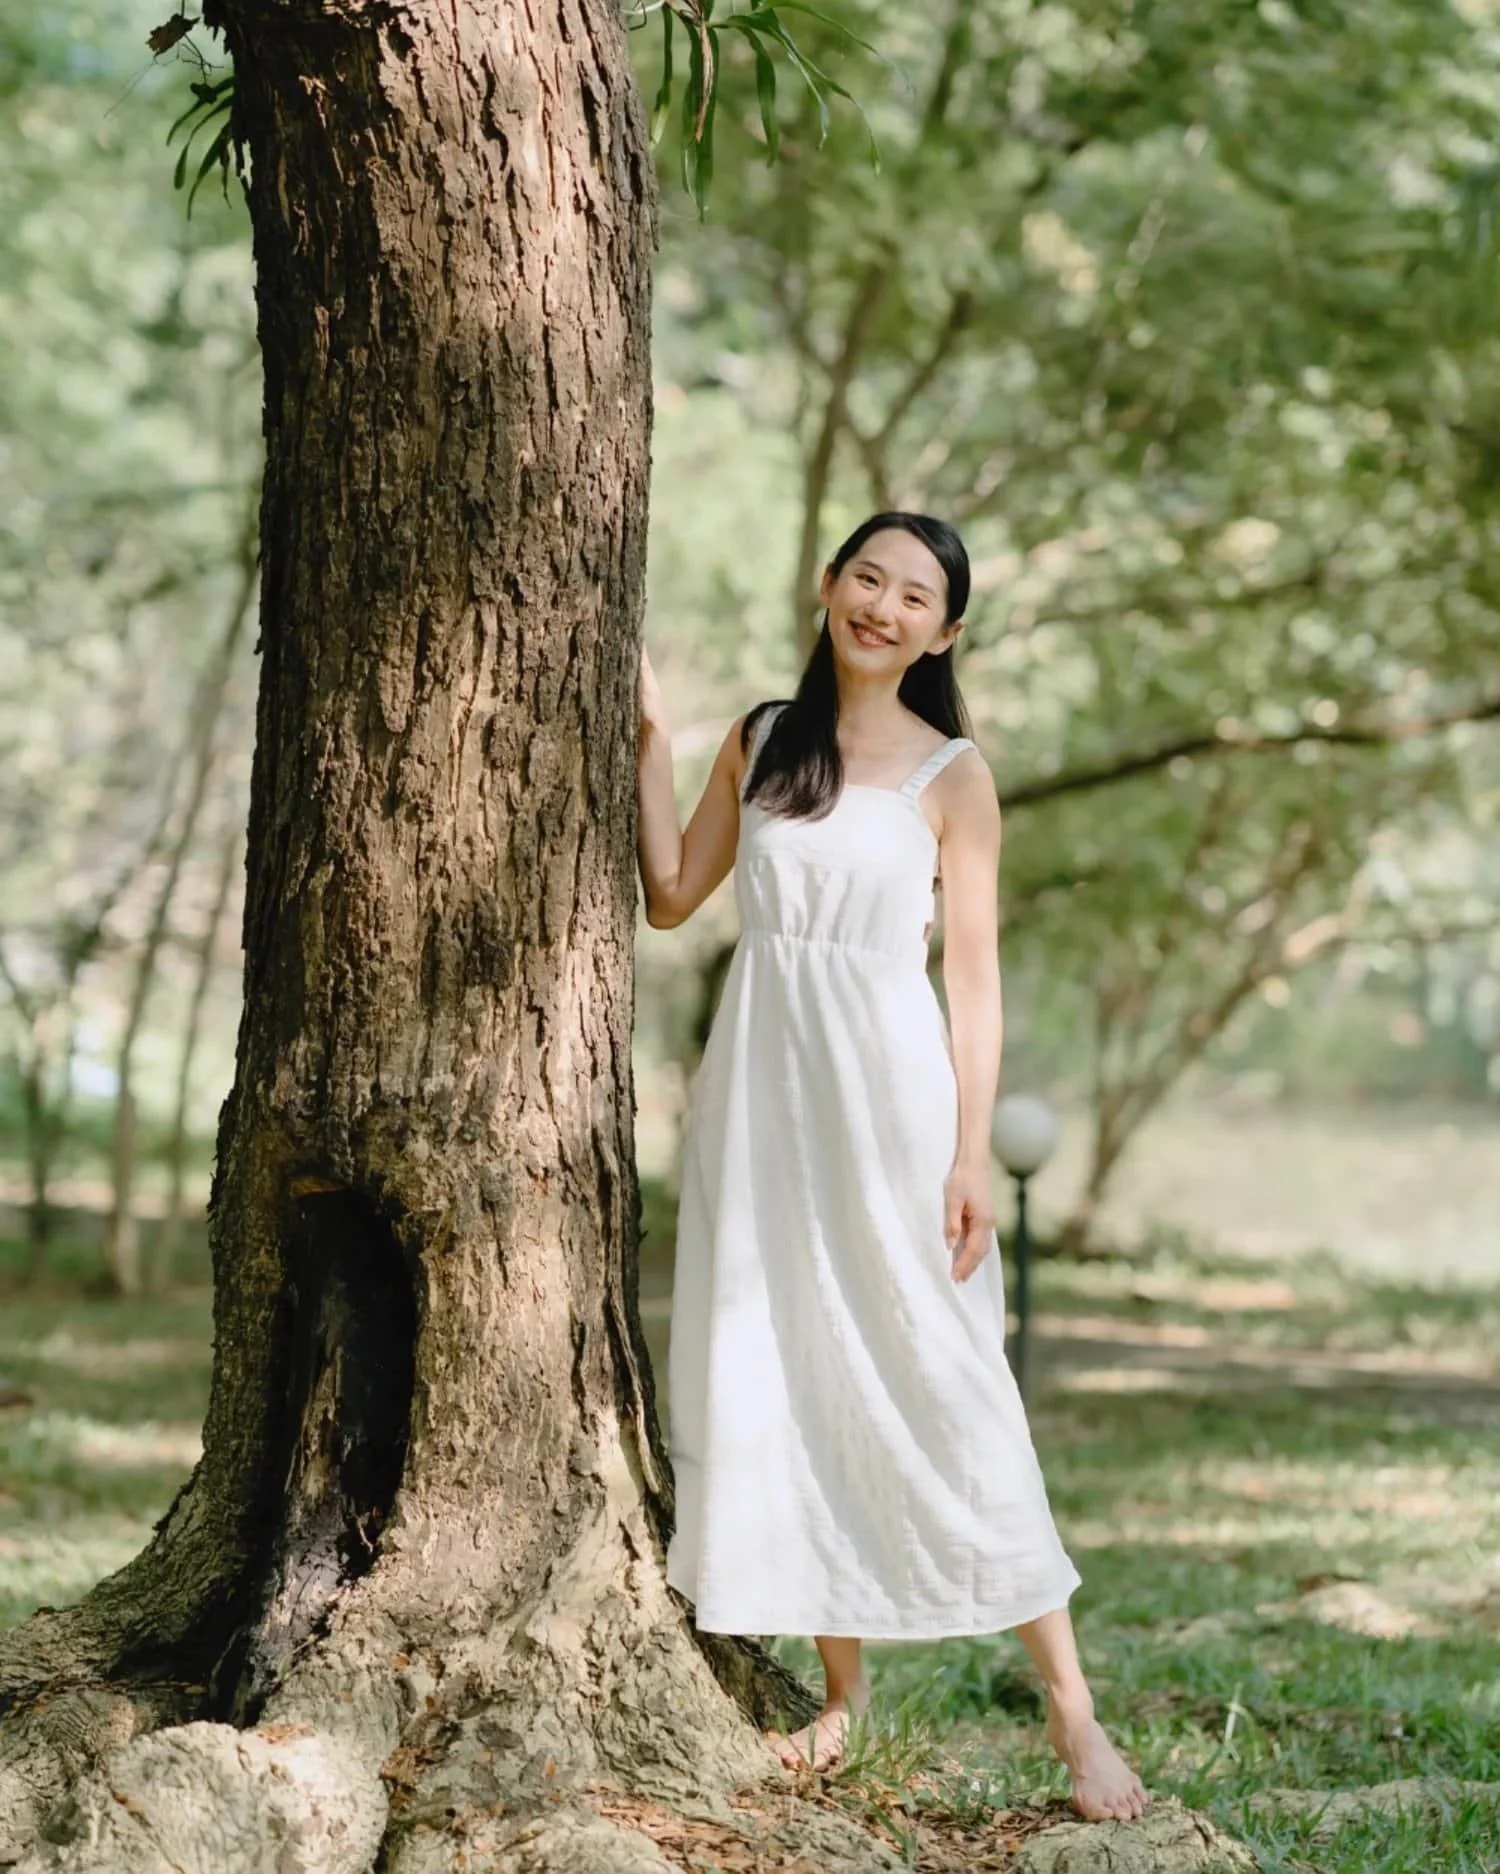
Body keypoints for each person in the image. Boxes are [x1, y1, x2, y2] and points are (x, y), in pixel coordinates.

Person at [635, 512, 1146, 1823]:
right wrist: (650, 743)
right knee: (780, 1362)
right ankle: (843, 1697)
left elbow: (971, 983)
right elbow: (673, 892)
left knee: (951, 1371)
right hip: (763, 1099)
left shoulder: (953, 774)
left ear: (944, 629)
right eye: (868, 576)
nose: (884, 605)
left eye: (915, 594)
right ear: (827, 585)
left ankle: (1073, 1712)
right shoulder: (764, 737)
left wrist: (970, 1150)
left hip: (894, 1102)